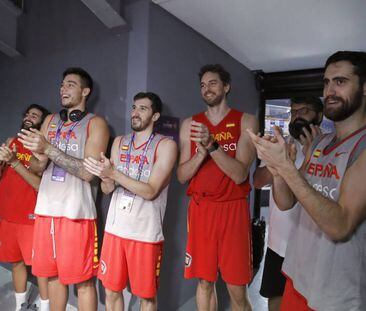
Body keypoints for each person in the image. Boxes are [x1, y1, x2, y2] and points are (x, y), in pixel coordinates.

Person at [248, 51, 366, 310]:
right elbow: (287, 201)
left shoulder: (362, 147)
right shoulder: (320, 144)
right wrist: (279, 168)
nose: (330, 91)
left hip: (336, 295)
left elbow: (340, 224)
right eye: (326, 82)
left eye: (341, 81)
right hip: (297, 276)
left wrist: (285, 168)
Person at [18, 67, 109, 311]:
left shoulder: (96, 124)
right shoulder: (50, 120)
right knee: (53, 275)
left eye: (70, 84)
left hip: (76, 213)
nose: (63, 88)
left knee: (83, 282)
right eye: (62, 85)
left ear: (85, 91)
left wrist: (48, 148)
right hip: (46, 209)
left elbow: (88, 172)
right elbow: (40, 166)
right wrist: (17, 158)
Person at [84, 92, 177, 311]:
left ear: (155, 116)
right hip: (115, 231)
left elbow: (151, 191)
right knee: (111, 290)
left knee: (146, 297)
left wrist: (114, 174)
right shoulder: (119, 142)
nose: (135, 113)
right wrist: (104, 176)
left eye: (143, 109)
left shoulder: (165, 146)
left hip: (144, 235)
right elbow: (108, 190)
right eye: (134, 107)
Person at [177, 64, 258, 311]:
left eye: (213, 83)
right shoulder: (190, 124)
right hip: (202, 210)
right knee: (204, 282)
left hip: (233, 209)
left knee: (236, 286)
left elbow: (240, 173)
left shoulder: (246, 121)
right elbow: (181, 175)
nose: (207, 89)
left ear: (226, 86)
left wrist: (212, 147)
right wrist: (199, 156)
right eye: (203, 85)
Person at [254, 97, 323, 311]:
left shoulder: (329, 147)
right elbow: (257, 181)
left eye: (305, 110)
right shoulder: (281, 145)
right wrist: (278, 163)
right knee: (275, 300)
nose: (298, 115)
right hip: (278, 243)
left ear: (319, 116)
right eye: (293, 112)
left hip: (311, 247)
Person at [0, 104, 50, 311]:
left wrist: (14, 161)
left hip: (30, 216)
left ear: (41, 123)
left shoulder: (41, 148)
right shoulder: (10, 142)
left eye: (35, 115)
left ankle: (43, 307)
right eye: (27, 113)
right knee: (16, 262)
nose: (29, 117)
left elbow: (38, 184)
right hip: (7, 214)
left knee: (40, 268)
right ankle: (20, 306)